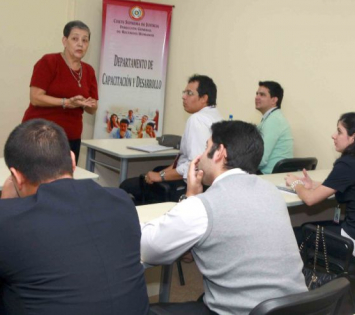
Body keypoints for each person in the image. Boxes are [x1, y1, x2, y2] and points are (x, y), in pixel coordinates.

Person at [0, 119, 149, 314]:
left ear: (16, 176)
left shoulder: (1, 220)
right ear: (72, 160)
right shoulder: (121, 202)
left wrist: (7, 206)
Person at [142, 121, 307, 315]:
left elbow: (148, 249)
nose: (201, 156)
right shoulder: (272, 192)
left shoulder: (203, 206)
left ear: (220, 152)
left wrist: (190, 198)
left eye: (206, 147)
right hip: (295, 308)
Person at [286, 112, 355, 259]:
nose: (333, 135)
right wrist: (314, 184)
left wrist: (296, 183)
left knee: (296, 234)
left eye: (339, 131)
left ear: (353, 137)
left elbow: (310, 199)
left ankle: (311, 278)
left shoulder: (348, 163)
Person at [120, 74, 223, 204]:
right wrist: (162, 172)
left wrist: (160, 176)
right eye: (184, 92)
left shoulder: (197, 120)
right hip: (206, 185)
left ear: (204, 98)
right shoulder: (216, 116)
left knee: (126, 186)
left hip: (187, 186)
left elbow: (195, 165)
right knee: (157, 169)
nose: (183, 97)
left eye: (189, 93)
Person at [22, 20, 98, 163]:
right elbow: (35, 97)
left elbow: (93, 109)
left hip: (71, 138)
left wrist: (86, 103)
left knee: (64, 183)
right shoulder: (49, 61)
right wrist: (66, 102)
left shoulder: (89, 71)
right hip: (41, 136)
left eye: (85, 40)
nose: (80, 44)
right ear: (64, 41)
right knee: (38, 182)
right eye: (75, 39)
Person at [255, 81, 293, 174]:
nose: (257, 97)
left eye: (262, 95)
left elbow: (261, 159)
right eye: (257, 94)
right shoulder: (272, 118)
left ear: (274, 100)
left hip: (268, 175)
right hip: (273, 174)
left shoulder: (274, 120)